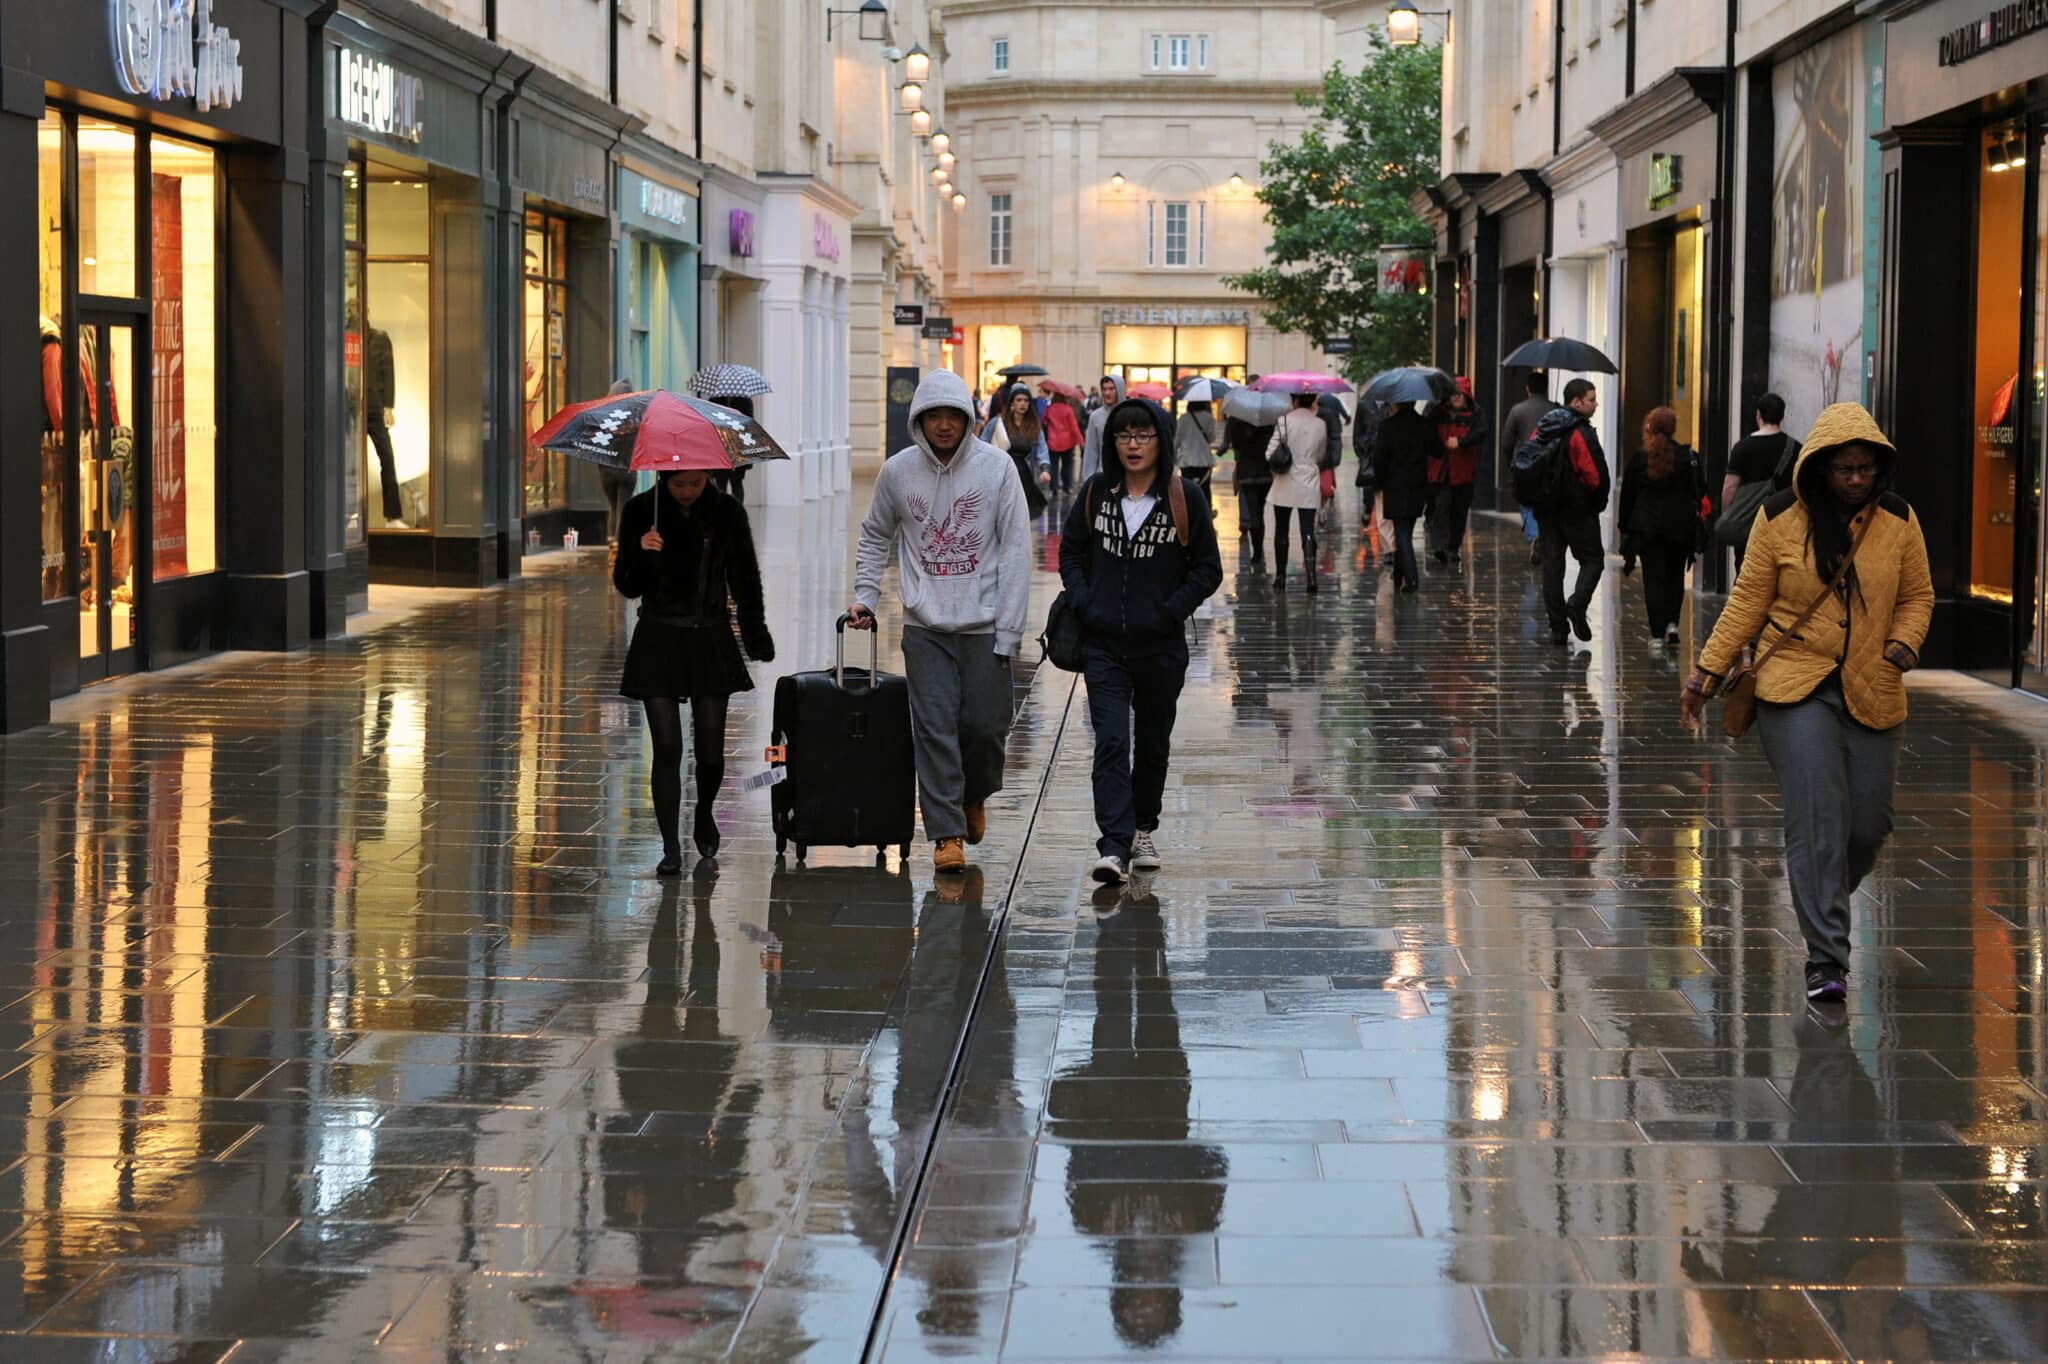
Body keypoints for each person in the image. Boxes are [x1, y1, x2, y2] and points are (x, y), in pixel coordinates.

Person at [1680, 402, 1933, 1003]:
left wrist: (1904, 643)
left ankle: (1820, 893)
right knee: (1818, 813)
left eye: (1865, 469)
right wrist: (1704, 676)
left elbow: (1918, 595)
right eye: (1843, 468)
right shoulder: (1778, 517)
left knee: (1868, 826)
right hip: (1793, 685)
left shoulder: (1898, 520)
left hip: (1873, 682)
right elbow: (1745, 604)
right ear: (1819, 467)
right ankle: (1826, 958)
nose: (1854, 479)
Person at [850, 369, 1032, 875]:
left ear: (969, 418)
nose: (946, 425)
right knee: (933, 728)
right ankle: (946, 831)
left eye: (955, 416)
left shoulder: (997, 469)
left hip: (985, 626)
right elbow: (873, 535)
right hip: (925, 626)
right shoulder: (898, 472)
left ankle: (974, 794)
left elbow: (1017, 549)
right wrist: (865, 596)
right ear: (920, 420)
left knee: (984, 728)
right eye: (936, 416)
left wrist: (1010, 630)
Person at [1059, 397, 1223, 885]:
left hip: (1161, 648)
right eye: (1124, 436)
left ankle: (1143, 829)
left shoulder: (1183, 497)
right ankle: (1113, 844)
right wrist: (1086, 601)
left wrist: (1169, 610)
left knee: (1151, 745)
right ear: (1112, 442)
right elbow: (1070, 550)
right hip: (1103, 646)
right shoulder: (1096, 493)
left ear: (1161, 441)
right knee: (1110, 741)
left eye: (1143, 435)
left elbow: (1208, 569)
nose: (1133, 445)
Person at [614, 467, 774, 875]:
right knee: (666, 747)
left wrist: (755, 635)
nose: (686, 492)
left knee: (710, 750)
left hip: (709, 638)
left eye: (695, 483)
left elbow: (744, 577)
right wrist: (640, 551)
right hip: (658, 638)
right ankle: (670, 844)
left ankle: (704, 811)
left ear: (708, 478)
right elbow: (627, 586)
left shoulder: (726, 511)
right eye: (678, 483)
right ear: (664, 478)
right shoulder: (640, 510)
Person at [1618, 405, 1707, 649]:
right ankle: (1672, 624)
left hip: (1648, 530)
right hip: (1680, 528)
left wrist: (1625, 527)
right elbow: (1699, 491)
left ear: (1650, 426)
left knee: (1654, 579)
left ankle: (1657, 633)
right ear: (1673, 429)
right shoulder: (1688, 458)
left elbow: (1628, 496)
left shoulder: (1639, 458)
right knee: (1675, 576)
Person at [1534, 378, 1611, 645]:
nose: (1595, 403)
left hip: (1546, 510)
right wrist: (1596, 502)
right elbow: (1595, 475)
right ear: (1576, 402)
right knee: (1593, 559)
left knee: (1552, 567)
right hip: (1577, 510)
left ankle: (1558, 628)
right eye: (1591, 399)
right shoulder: (1580, 432)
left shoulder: (1542, 429)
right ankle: (1577, 603)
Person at [1721, 392, 1802, 574]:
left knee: (1745, 571)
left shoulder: (1742, 447)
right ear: (1782, 416)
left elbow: (1730, 486)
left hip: (1749, 523)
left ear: (1758, 415)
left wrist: (1730, 513)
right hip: (1783, 524)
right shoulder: (1796, 448)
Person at [1264, 393, 1328, 593]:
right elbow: (1321, 454)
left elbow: (1269, 453)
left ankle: (1281, 576)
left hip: (1285, 481)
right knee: (1308, 530)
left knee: (1281, 529)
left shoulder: (1284, 421)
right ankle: (1311, 578)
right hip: (1308, 480)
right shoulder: (1320, 424)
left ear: (1295, 401)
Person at [1374, 401, 1439, 594]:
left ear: (1396, 404)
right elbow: (1438, 450)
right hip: (1417, 484)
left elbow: (1379, 459)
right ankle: (1399, 574)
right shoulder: (1424, 424)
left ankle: (1411, 578)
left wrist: (1378, 482)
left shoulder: (1387, 426)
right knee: (1406, 529)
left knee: (1401, 530)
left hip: (1394, 486)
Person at [1428, 376, 1485, 565]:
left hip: (1463, 471)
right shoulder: (1437, 411)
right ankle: (1440, 546)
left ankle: (1453, 547)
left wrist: (1461, 442)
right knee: (1441, 508)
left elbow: (1480, 433)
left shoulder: (1475, 413)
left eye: (1461, 395)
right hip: (1441, 470)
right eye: (1454, 395)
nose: (1457, 398)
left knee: (1459, 511)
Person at [1503, 371, 1558, 565]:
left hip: (1524, 465)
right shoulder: (1555, 409)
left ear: (1528, 389)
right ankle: (1545, 537)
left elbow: (1507, 442)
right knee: (1545, 503)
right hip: (1549, 465)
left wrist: (1512, 461)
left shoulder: (1517, 411)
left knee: (1526, 502)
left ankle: (1535, 534)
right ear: (1546, 388)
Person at [982, 382, 1054, 515]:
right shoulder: (997, 422)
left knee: (1023, 516)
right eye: (1019, 400)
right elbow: (982, 444)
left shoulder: (1034, 426)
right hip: (1001, 475)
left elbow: (1042, 450)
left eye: (1026, 400)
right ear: (1012, 403)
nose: (1023, 404)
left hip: (1024, 476)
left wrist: (1045, 470)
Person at [1225, 406, 1276, 568]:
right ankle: (1258, 549)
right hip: (1265, 472)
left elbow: (1236, 446)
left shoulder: (1238, 421)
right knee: (1259, 510)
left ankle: (1258, 552)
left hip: (1247, 472)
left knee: (1254, 511)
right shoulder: (1269, 421)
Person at [599, 378, 639, 555]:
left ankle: (610, 541)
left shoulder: (603, 415)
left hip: (606, 470)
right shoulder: (635, 416)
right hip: (627, 469)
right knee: (623, 506)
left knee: (612, 505)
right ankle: (618, 543)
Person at [1080, 375, 1127, 483]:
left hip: (1128, 477)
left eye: (1111, 389)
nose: (1107, 393)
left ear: (1119, 390)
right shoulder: (1096, 417)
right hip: (1103, 476)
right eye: (1104, 389)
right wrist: (1088, 480)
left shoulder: (1129, 413)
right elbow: (1091, 451)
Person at [1173, 399, 1218, 508]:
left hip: (1186, 460)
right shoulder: (1208, 418)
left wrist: (1173, 456)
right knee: (1205, 489)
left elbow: (1177, 440)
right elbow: (1212, 438)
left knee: (1187, 489)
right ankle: (1206, 512)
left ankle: (1189, 512)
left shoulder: (1183, 418)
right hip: (1204, 460)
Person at [1044, 389, 1085, 494]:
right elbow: (1074, 427)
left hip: (1053, 442)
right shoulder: (1068, 409)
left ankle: (1054, 488)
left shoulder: (1050, 408)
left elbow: (1043, 420)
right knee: (1068, 465)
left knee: (1053, 465)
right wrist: (1081, 441)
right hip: (1067, 442)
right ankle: (1067, 486)